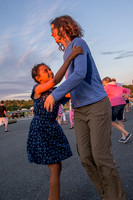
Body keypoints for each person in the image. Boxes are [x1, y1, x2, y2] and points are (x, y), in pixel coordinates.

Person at [44, 15, 126, 200]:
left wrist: (54, 94)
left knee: (101, 156)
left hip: (97, 105)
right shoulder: (66, 52)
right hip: (79, 111)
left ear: (63, 27)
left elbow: (79, 74)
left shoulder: (79, 43)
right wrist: (58, 99)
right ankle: (107, 195)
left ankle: (117, 197)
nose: (51, 34)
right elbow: (73, 86)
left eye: (53, 29)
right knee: (86, 157)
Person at [27, 45, 83, 200]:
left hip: (52, 126)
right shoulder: (37, 89)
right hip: (41, 128)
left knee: (57, 166)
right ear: (38, 78)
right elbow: (57, 79)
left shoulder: (55, 91)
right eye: (46, 71)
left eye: (49, 69)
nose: (50, 71)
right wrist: (70, 57)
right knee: (55, 166)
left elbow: (73, 91)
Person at [102, 77, 132, 143]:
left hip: (114, 105)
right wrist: (126, 94)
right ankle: (124, 137)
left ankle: (126, 133)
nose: (103, 85)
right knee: (119, 121)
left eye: (103, 83)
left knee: (112, 122)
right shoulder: (118, 86)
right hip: (122, 104)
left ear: (106, 82)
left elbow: (101, 94)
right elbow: (127, 90)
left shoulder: (107, 87)